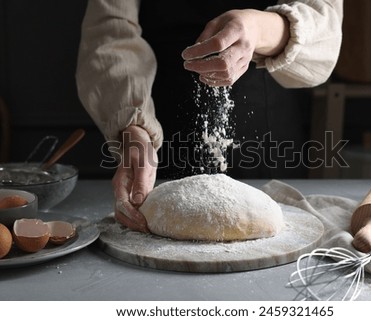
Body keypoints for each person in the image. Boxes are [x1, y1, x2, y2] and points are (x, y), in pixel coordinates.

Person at [76, 0, 343, 232]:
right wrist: (132, 125)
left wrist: (258, 28)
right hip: (156, 121)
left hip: (265, 131)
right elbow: (111, 32)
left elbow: (325, 26)